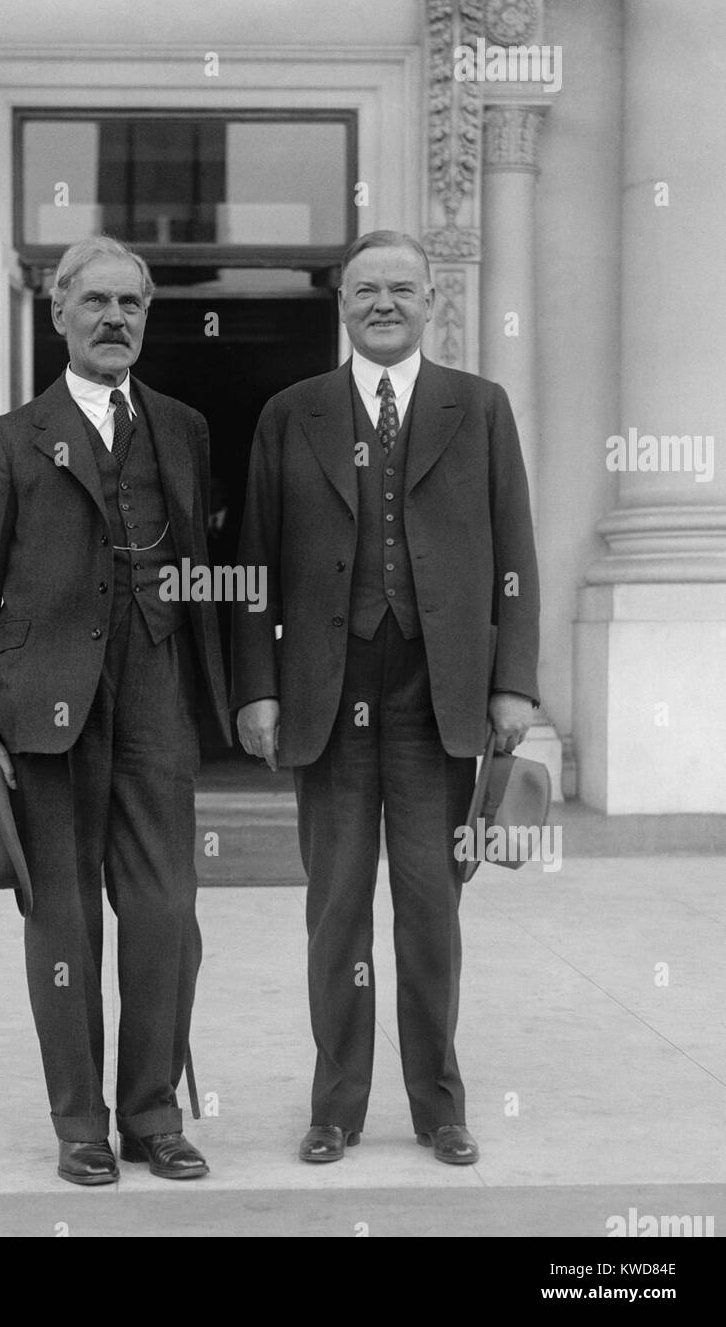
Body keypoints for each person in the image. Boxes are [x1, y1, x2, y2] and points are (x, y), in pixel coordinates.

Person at [232, 230, 540, 1166]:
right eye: (367, 289)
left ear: (431, 301)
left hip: (436, 694)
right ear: (342, 301)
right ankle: (336, 1108)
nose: (384, 304)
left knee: (429, 906)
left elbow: (516, 552)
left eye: (402, 289)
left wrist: (513, 681)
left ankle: (440, 1107)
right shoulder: (294, 412)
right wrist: (256, 688)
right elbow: (253, 561)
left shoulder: (479, 408)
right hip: (324, 692)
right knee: (335, 909)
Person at [0, 235, 230, 1185]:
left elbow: (202, 565)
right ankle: (79, 1124)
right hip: (40, 709)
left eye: (132, 306)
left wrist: (231, 693)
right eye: (96, 303)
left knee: (166, 913)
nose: (115, 320)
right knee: (62, 921)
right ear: (58, 313)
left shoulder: (183, 428)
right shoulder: (8, 439)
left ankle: (154, 1114)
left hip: (154, 695)